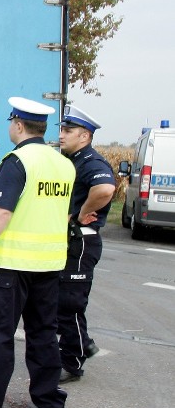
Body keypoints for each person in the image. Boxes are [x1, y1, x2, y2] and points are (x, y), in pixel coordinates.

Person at [0, 97, 76, 408]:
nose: (10, 126)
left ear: (19, 125)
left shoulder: (17, 162)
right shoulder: (63, 164)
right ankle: (49, 403)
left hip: (9, 266)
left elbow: (2, 211)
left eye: (11, 122)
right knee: (44, 333)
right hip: (49, 265)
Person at [57, 106, 116, 383]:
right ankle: (78, 351)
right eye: (62, 129)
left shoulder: (91, 161)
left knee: (68, 303)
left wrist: (82, 212)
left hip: (82, 241)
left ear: (85, 136)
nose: (61, 135)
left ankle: (76, 355)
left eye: (68, 131)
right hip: (70, 240)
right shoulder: (71, 159)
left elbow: (105, 189)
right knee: (65, 303)